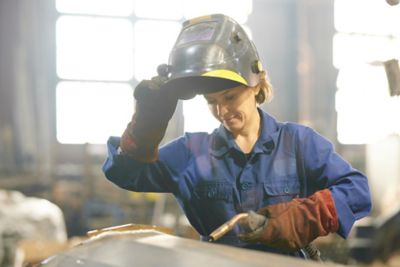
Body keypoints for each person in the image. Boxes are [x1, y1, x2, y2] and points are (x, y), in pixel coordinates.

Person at [102, 14, 371, 258]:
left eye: (230, 97)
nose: (221, 111)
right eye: (211, 101)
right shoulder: (191, 153)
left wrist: (300, 217)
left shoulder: (298, 143)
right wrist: (146, 124)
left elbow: (357, 191)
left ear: (256, 85)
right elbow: (125, 173)